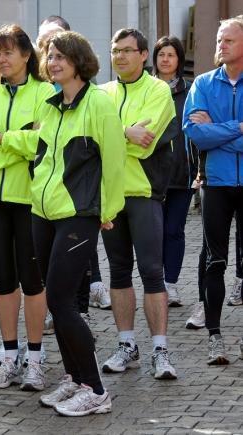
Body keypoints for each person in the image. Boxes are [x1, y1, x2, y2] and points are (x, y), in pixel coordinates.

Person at [29, 30, 125, 417]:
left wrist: (109, 211)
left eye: (61, 56)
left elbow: (115, 161)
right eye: (50, 56)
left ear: (79, 61)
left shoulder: (99, 104)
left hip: (79, 214)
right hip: (43, 212)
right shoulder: (51, 105)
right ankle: (74, 377)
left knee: (62, 301)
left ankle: (96, 390)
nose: (53, 62)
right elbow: (40, 153)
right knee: (56, 298)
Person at [0, 24, 54, 391]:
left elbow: (43, 142)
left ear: (25, 55)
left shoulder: (45, 92)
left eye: (8, 52)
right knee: (3, 281)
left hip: (30, 201)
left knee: (32, 282)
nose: (1, 59)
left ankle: (34, 359)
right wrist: (9, 146)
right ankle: (9, 355)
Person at [100, 28, 178, 379]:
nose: (120, 57)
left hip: (144, 193)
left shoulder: (159, 90)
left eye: (128, 51)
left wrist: (114, 135)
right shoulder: (102, 92)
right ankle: (126, 345)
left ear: (144, 55)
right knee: (118, 272)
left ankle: (160, 350)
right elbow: (91, 141)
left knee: (151, 271)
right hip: (110, 197)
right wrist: (124, 131)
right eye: (115, 50)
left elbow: (145, 143)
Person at [183, 16, 243, 365]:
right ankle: (215, 336)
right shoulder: (204, 84)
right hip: (215, 185)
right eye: (219, 40)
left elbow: (210, 134)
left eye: (228, 41)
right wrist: (237, 128)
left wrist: (219, 132)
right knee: (214, 261)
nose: (220, 46)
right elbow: (195, 133)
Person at [153, 36, 198, 307]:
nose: (166, 59)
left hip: (182, 173)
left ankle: (171, 284)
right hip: (151, 174)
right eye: (161, 54)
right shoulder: (145, 89)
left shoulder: (191, 90)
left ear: (179, 60)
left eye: (171, 55)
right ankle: (155, 283)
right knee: (153, 231)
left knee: (174, 230)